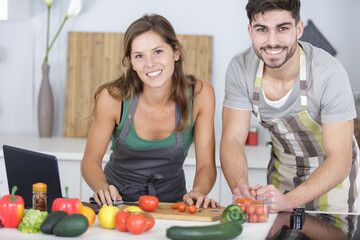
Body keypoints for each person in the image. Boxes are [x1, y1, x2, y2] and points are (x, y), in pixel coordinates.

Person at [220, 0, 359, 213]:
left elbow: (340, 158)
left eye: (283, 28)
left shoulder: (329, 73)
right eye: (262, 30)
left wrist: (291, 201)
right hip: (281, 178)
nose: (272, 41)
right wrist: (240, 185)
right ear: (250, 31)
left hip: (333, 187)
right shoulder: (240, 68)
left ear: (299, 29)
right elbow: (232, 139)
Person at [81, 14, 219, 209]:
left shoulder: (200, 95)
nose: (150, 63)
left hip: (173, 207)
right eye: (139, 56)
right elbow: (90, 161)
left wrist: (198, 191)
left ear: (176, 52)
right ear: (131, 62)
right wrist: (102, 187)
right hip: (117, 206)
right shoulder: (113, 99)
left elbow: (206, 165)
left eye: (158, 51)